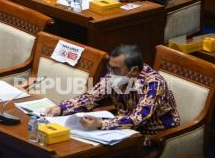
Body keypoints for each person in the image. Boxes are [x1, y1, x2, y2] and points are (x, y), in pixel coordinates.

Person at [45, 45, 180, 147]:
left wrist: (101, 124)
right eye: (109, 67)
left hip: (154, 135)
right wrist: (61, 108)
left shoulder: (154, 84)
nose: (110, 73)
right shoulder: (114, 76)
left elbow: (138, 118)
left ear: (133, 71)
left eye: (115, 69)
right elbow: (91, 97)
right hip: (123, 130)